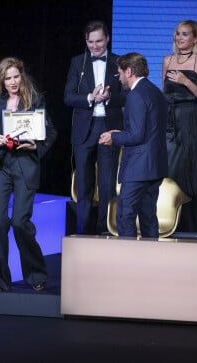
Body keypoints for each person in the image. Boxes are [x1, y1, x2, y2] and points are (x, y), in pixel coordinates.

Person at [0, 57, 57, 292]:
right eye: (7, 78)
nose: (12, 82)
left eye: (16, 77)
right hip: (1, 165)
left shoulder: (35, 99)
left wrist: (36, 146)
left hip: (25, 164)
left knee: (20, 222)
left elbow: (50, 130)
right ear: (1, 80)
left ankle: (35, 273)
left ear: (22, 76)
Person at [64, 20, 126, 234]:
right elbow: (68, 96)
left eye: (99, 41)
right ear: (86, 41)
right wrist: (90, 97)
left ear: (107, 39)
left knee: (108, 183)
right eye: (91, 42)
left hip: (109, 127)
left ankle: (105, 231)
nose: (95, 46)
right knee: (83, 184)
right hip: (84, 130)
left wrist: (109, 98)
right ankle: (82, 232)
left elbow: (128, 96)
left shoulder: (119, 62)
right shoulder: (77, 62)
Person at [99, 52, 168, 237]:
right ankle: (150, 262)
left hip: (139, 167)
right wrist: (119, 133)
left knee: (125, 215)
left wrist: (114, 137)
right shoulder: (155, 92)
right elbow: (148, 130)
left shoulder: (135, 95)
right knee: (148, 217)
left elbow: (137, 135)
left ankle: (127, 261)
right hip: (154, 166)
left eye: (120, 73)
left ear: (128, 71)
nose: (119, 78)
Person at [162, 19, 197, 233]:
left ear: (196, 38)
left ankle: (193, 226)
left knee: (191, 169)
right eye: (177, 33)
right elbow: (165, 93)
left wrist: (186, 81)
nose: (179, 38)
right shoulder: (167, 60)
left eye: (184, 34)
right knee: (170, 169)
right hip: (170, 121)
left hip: (192, 119)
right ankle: (170, 221)